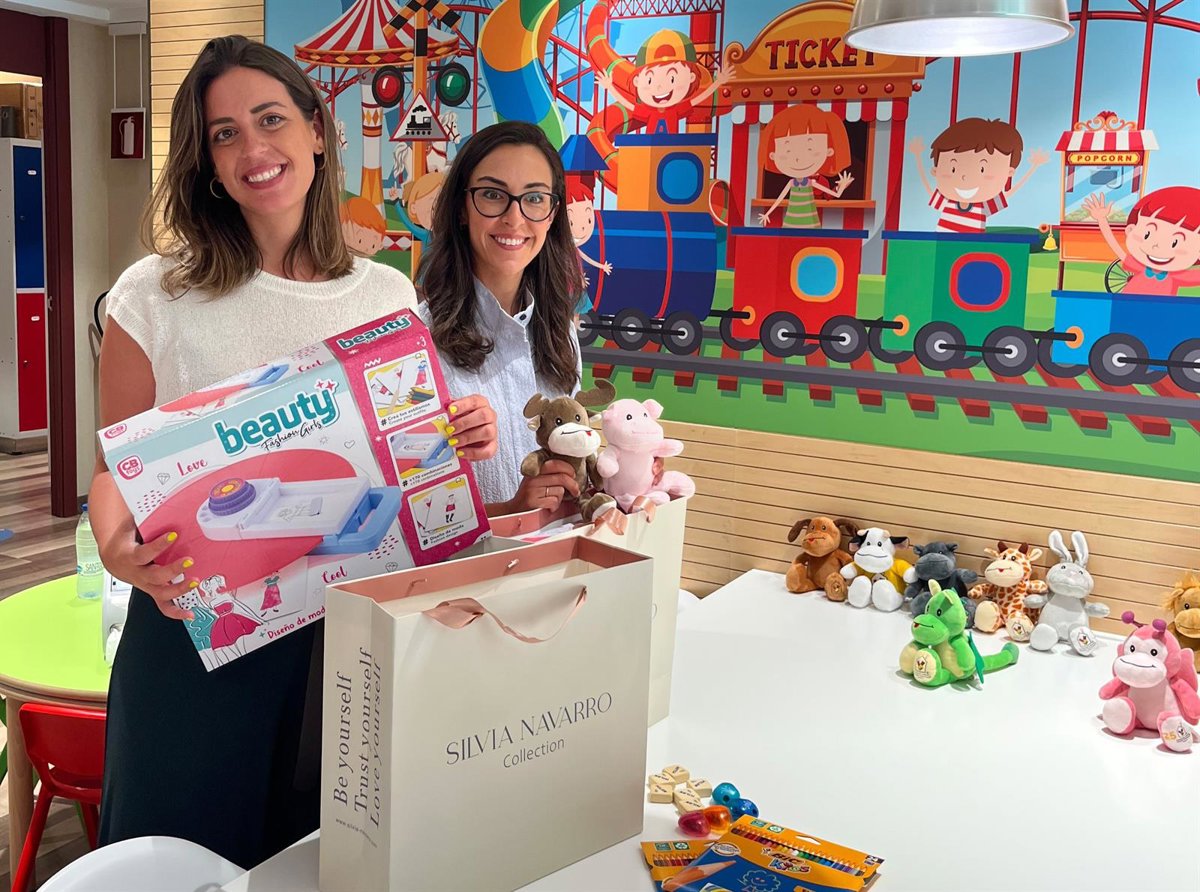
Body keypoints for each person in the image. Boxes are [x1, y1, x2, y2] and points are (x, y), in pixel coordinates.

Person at [90, 36, 495, 869]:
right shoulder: (155, 294)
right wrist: (115, 547)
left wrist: (459, 436)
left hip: (340, 645)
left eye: (270, 119)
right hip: (195, 634)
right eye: (225, 133)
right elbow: (113, 474)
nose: (252, 148)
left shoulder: (386, 294)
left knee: (316, 864)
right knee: (172, 864)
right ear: (207, 162)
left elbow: (410, 450)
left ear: (316, 129)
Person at [419, 120, 595, 516]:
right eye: (493, 194)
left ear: (552, 214)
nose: (514, 218)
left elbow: (572, 470)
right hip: (477, 558)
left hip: (561, 553)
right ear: (462, 208)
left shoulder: (560, 333)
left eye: (534, 198)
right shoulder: (419, 343)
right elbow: (407, 512)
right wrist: (510, 511)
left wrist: (616, 486)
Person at [908, 117, 1048, 234]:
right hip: (942, 243)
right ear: (935, 171)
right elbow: (928, 187)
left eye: (982, 169)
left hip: (971, 246)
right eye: (953, 169)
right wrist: (918, 157)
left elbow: (1008, 193)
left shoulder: (982, 206)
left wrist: (1034, 167)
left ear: (1009, 172)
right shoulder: (947, 201)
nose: (964, 178)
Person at [1083, 186, 1200, 295]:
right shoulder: (1139, 266)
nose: (1156, 246)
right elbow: (1115, 246)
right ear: (1130, 230)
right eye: (1147, 234)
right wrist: (1102, 220)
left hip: (1155, 309)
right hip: (1127, 305)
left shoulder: (1178, 276)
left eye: (1174, 243)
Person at [757, 104, 854, 228]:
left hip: (810, 222)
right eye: (788, 151)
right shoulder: (792, 183)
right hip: (791, 221)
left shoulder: (812, 182)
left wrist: (841, 186)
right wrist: (767, 214)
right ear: (773, 155)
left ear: (829, 151)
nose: (798, 158)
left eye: (810, 149)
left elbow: (834, 195)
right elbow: (779, 200)